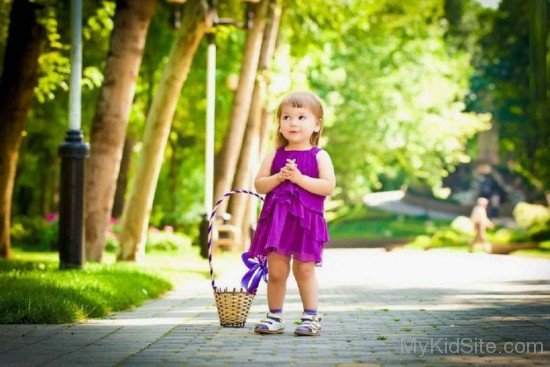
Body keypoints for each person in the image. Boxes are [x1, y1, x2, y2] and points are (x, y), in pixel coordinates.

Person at [248, 91, 335, 336]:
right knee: (276, 271)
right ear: (280, 123)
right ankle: (274, 315)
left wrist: (300, 179)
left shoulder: (319, 156)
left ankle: (311, 316)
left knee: (304, 270)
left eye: (301, 117)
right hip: (278, 223)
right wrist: (278, 177)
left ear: (316, 124)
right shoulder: (274, 155)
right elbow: (259, 185)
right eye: (286, 117)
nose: (293, 123)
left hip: (307, 223)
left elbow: (327, 186)